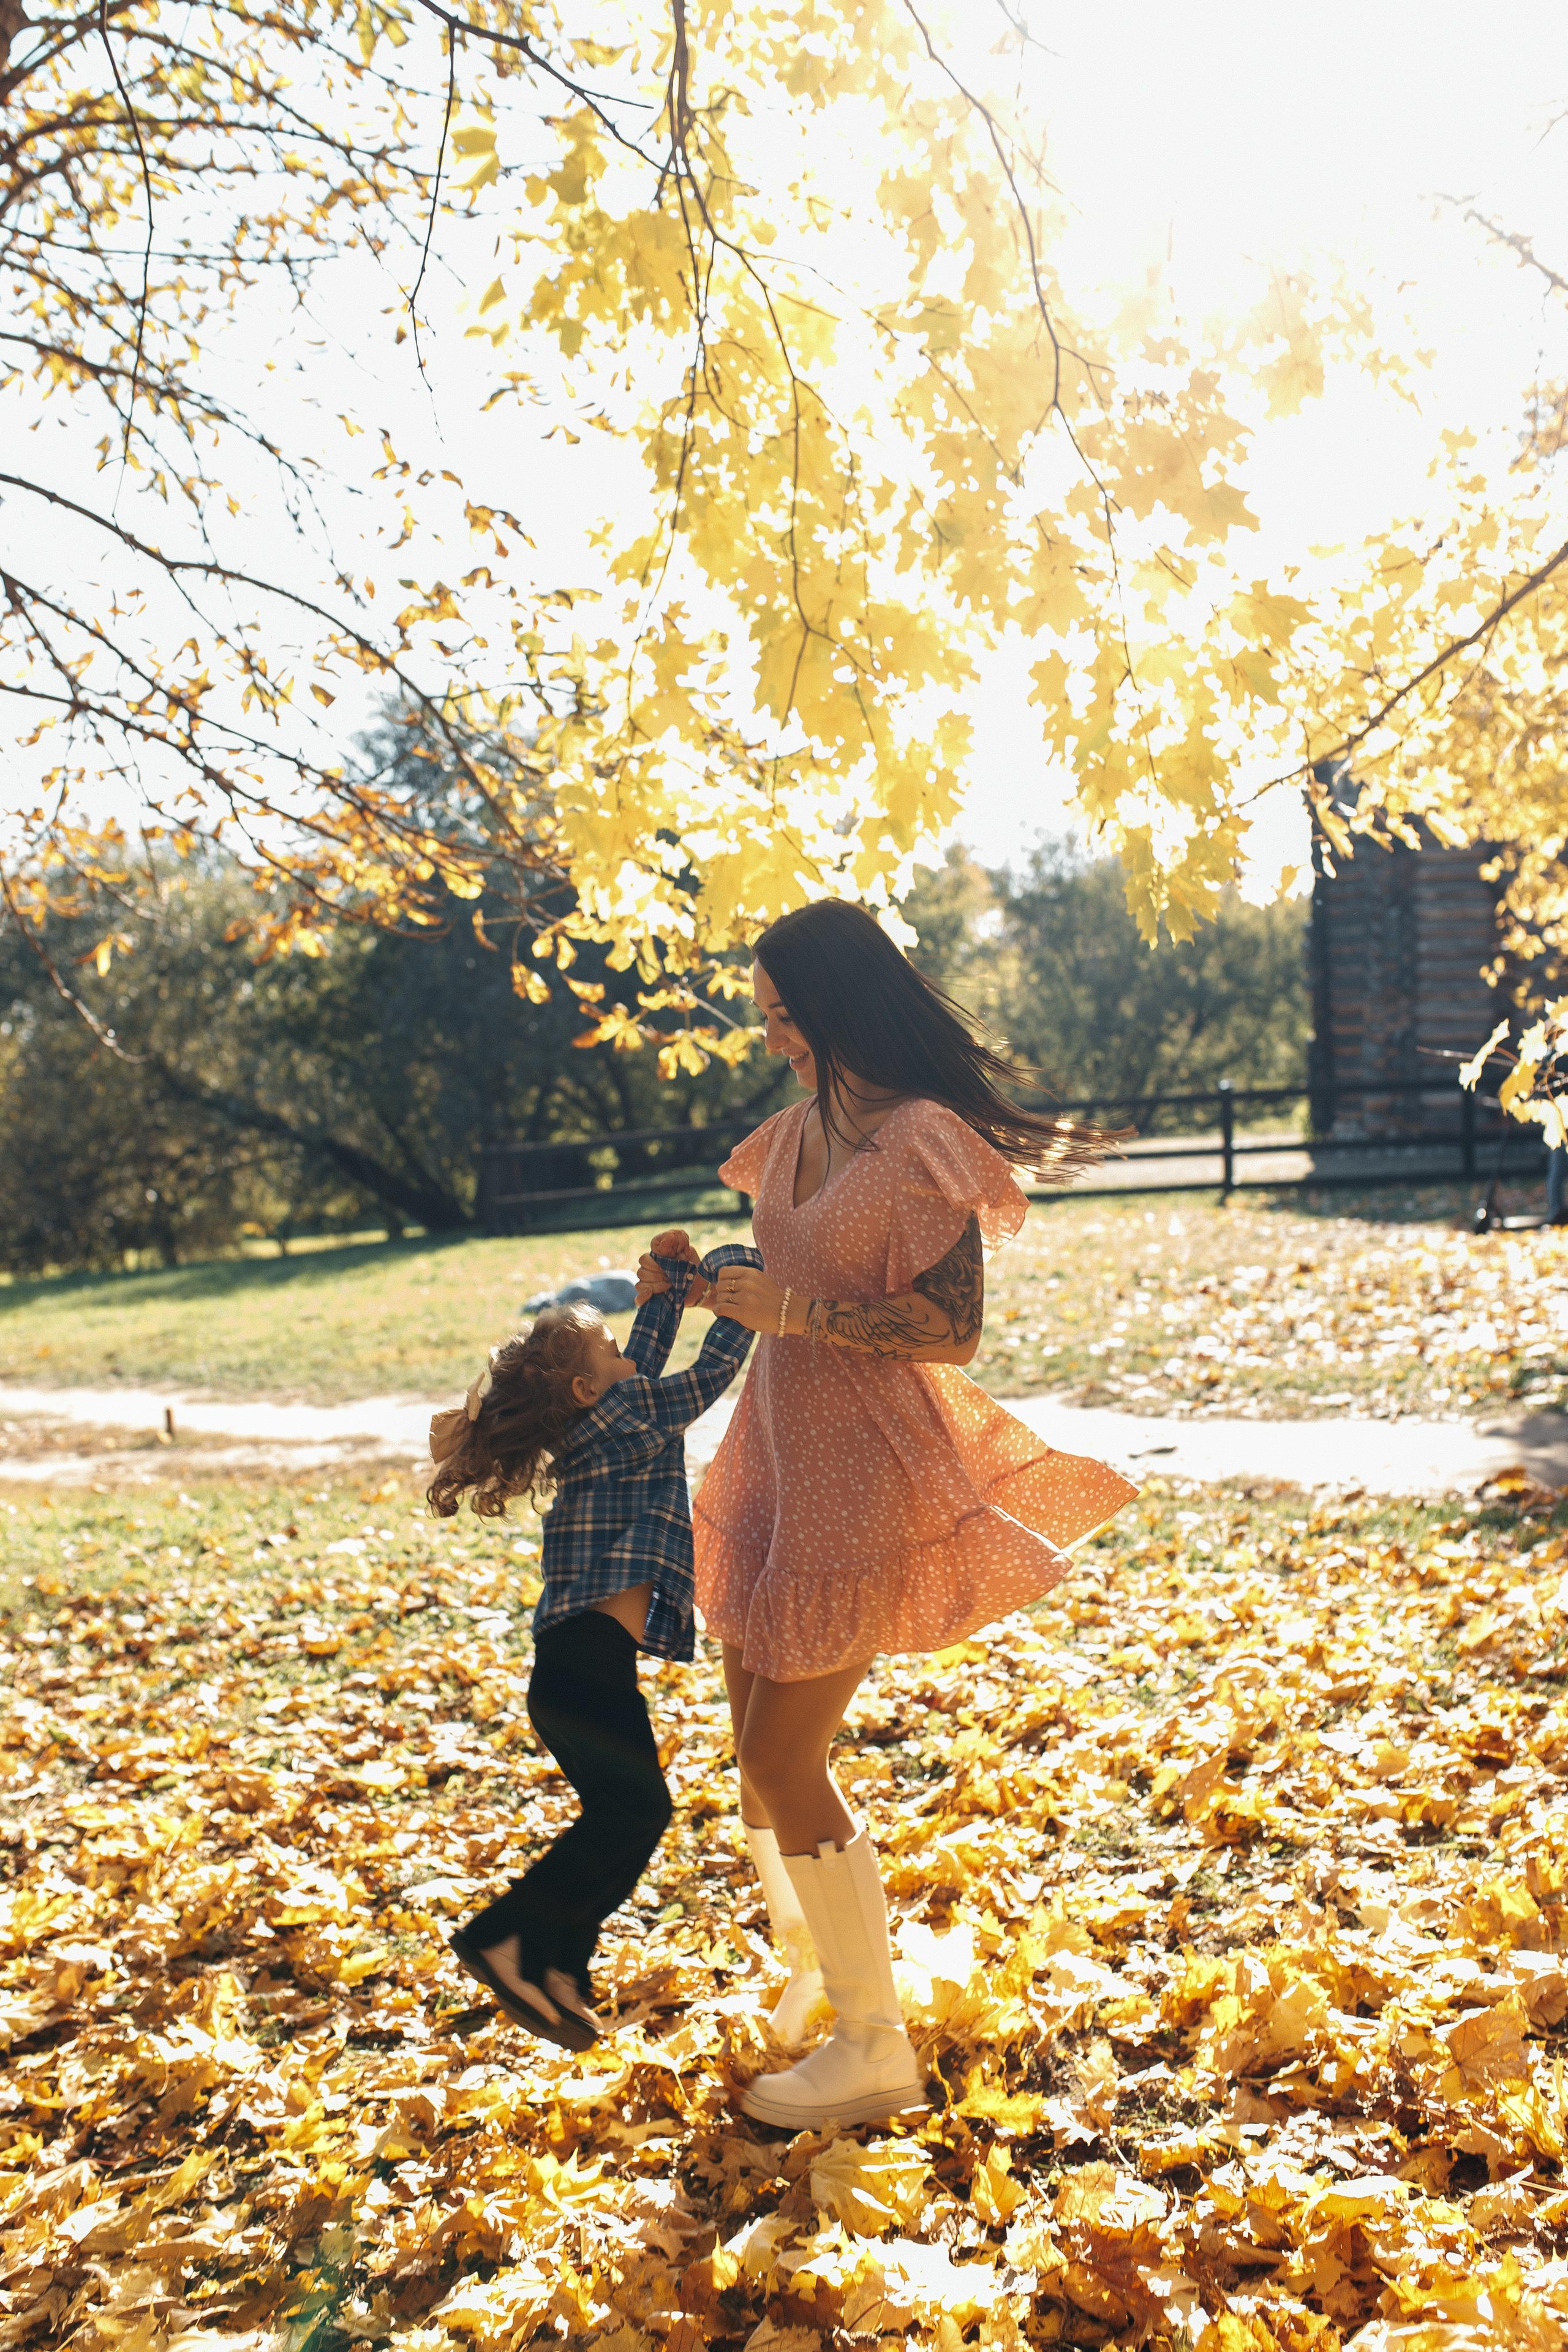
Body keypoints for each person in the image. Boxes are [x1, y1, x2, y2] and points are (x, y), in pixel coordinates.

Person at [687, 899, 1140, 2132]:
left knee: (786, 1756)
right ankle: (821, 1978)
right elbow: (782, 1277)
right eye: (765, 1014)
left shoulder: (922, 1140)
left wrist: (800, 1316)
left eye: (787, 1014)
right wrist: (704, 1285)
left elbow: (953, 1329)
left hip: (862, 1466)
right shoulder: (790, 1138)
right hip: (772, 1453)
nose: (772, 1035)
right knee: (754, 1757)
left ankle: (871, 2046)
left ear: (837, 1004)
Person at [427, 1232, 763, 2049]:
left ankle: (558, 1965)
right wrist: (745, 1283)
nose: (625, 1350)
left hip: (573, 1673)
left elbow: (642, 1356)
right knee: (636, 1812)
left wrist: (678, 1285)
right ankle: (503, 1938)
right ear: (586, 1386)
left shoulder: (603, 1413)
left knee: (628, 1813)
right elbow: (709, 1374)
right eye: (608, 1347)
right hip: (585, 1672)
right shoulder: (628, 1412)